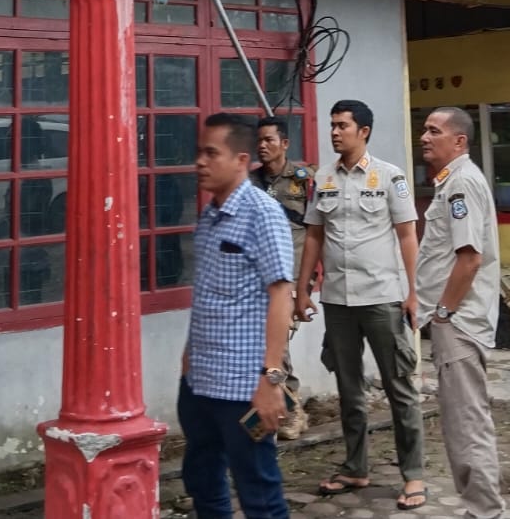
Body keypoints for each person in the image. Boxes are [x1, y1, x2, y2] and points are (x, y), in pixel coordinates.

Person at [297, 100, 427, 511]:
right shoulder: (323, 178)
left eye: (342, 126)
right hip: (338, 300)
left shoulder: (389, 176)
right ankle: (355, 466)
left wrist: (413, 292)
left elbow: (407, 235)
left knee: (399, 388)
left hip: (382, 299)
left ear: (363, 131)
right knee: (348, 389)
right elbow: (315, 236)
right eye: (332, 126)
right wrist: (303, 290)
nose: (335, 133)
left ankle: (414, 475)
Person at [179, 112, 295, 519]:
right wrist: (189, 353)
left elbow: (282, 294)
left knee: (258, 489)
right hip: (200, 381)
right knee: (201, 479)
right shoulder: (209, 215)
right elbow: (209, 291)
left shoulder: (263, 214)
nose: (200, 162)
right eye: (199, 152)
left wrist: (271, 378)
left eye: (212, 153)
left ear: (241, 159)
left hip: (244, 387)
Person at [416, 106, 503, 519]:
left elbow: (468, 259)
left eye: (434, 131)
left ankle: (485, 510)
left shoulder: (462, 184)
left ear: (460, 141)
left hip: (460, 322)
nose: (424, 137)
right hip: (454, 319)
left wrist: (444, 314)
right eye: (424, 130)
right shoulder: (450, 183)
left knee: (467, 421)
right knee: (459, 420)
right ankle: (479, 507)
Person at [249, 114, 315, 440]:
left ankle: (290, 409)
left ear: (285, 144)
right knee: (272, 346)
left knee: (277, 346)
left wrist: (308, 286)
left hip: (289, 282)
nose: (262, 146)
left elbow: (319, 233)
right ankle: (287, 407)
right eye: (259, 141)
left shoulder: (305, 180)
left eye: (269, 140)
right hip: (258, 280)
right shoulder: (251, 182)